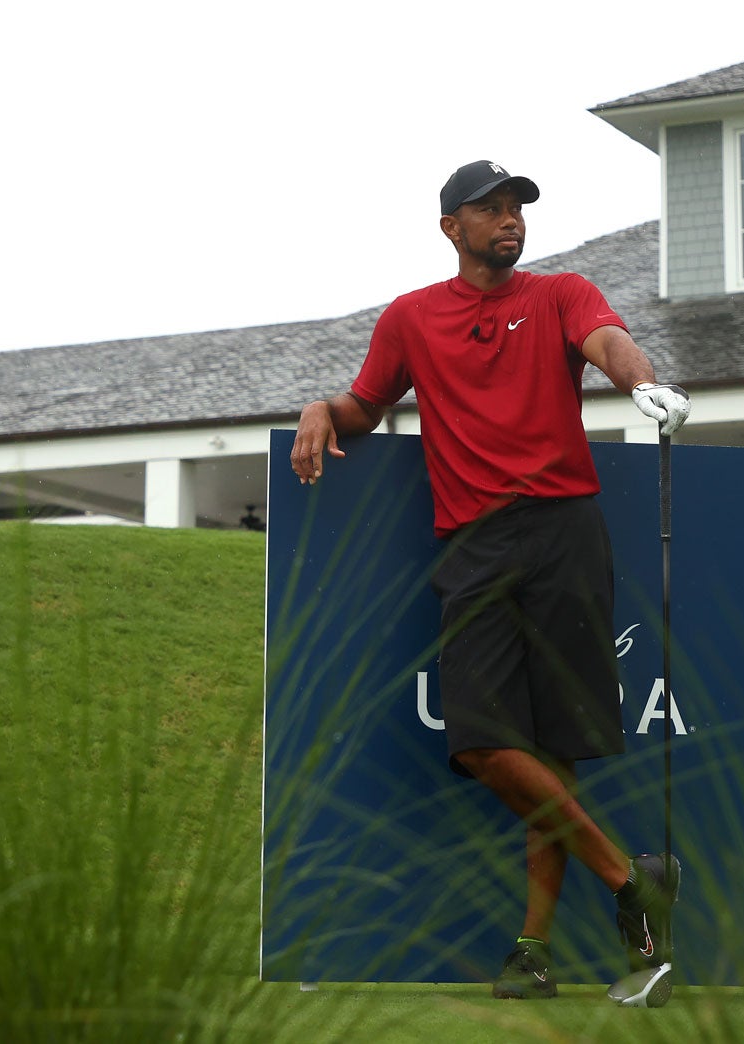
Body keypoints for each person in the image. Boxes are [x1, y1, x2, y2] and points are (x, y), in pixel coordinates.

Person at [288, 161, 692, 1005]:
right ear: (451, 228)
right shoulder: (410, 317)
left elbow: (607, 340)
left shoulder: (560, 294)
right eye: (491, 210)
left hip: (563, 532)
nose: (509, 221)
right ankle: (630, 883)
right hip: (472, 542)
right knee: (480, 740)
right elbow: (368, 403)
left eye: (516, 210)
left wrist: (641, 382)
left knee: (552, 749)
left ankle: (533, 951)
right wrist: (319, 410)